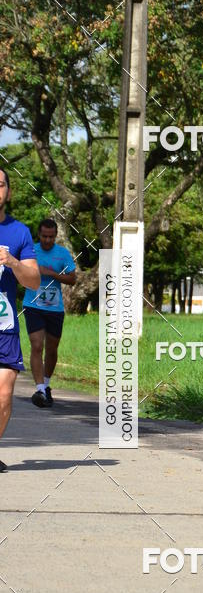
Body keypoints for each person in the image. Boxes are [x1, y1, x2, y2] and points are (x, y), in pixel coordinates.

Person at [0, 168, 41, 470]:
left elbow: (34, 282)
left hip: (4, 326)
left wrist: (12, 261)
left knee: (3, 393)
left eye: (0, 185)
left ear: (8, 192)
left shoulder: (19, 233)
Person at [22, 219, 77, 408]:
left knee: (51, 350)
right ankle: (39, 390)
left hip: (54, 308)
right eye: (44, 236)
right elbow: (19, 273)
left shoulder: (62, 253)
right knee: (37, 346)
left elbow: (72, 279)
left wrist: (52, 273)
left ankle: (46, 385)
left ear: (55, 236)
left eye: (51, 237)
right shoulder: (30, 251)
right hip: (33, 305)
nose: (47, 240)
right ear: (39, 235)